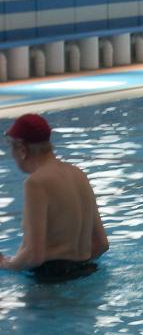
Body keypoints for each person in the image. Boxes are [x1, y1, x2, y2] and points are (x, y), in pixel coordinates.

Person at [1, 113, 108, 282]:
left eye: (11, 148)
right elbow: (101, 244)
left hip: (52, 282)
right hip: (89, 272)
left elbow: (34, 256)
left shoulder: (36, 182)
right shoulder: (78, 174)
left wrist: (6, 264)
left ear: (22, 149)